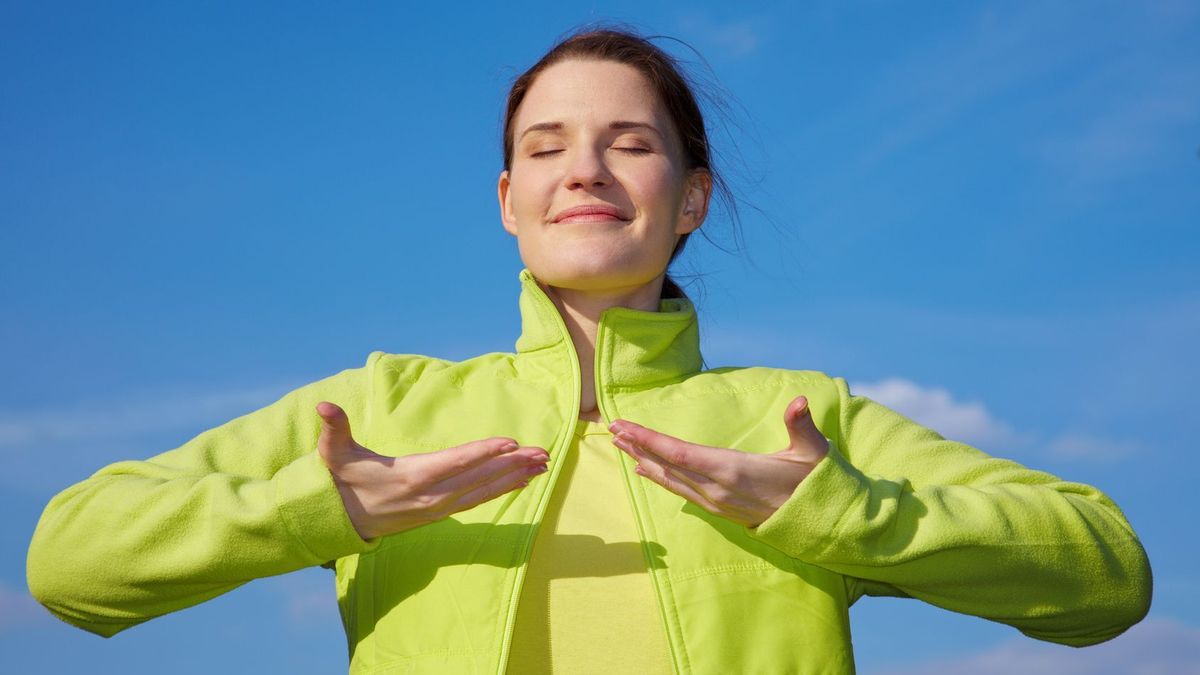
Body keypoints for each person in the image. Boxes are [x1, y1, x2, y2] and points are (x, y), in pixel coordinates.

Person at [27, 27, 1151, 675]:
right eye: (546, 146)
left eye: (631, 143)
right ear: (508, 199)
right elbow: (71, 567)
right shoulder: (377, 408)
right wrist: (324, 510)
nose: (587, 171)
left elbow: (1107, 577)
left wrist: (842, 513)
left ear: (693, 197)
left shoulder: (802, 424)